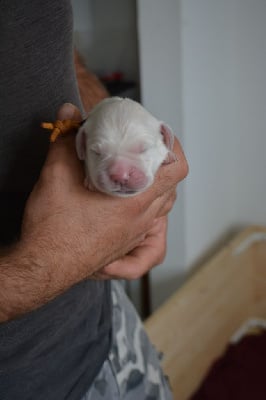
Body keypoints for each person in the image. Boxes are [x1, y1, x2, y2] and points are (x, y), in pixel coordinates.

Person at [0, 1, 188, 399]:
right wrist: (45, 263)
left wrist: (103, 113)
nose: (122, 173)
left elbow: (42, 36)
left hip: (102, 331)